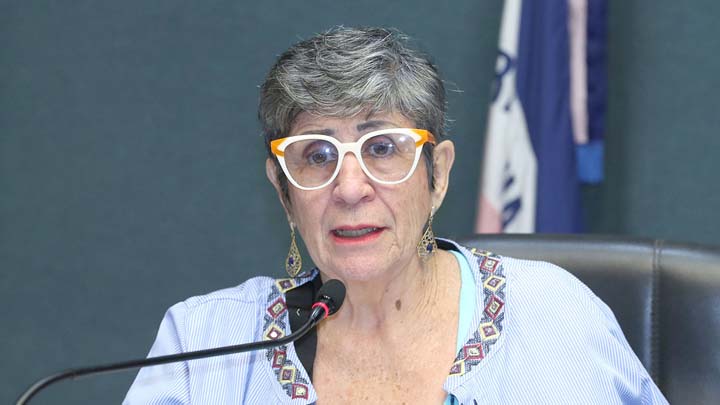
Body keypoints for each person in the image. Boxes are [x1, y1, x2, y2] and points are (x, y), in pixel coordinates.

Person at [125, 27, 668, 404]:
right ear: (284, 192)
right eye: (317, 155)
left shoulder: (556, 316)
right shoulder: (202, 346)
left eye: (382, 148)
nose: (350, 188)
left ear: (438, 175)